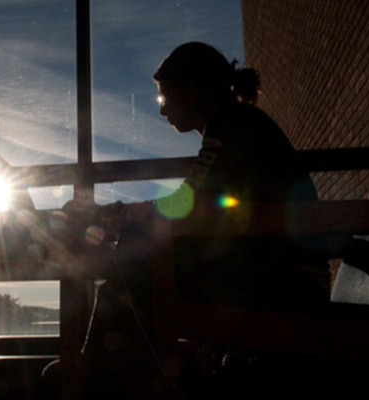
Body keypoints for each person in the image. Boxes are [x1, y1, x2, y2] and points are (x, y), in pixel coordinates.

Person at [43, 42, 330, 399]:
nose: (162, 112)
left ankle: (102, 371)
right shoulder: (236, 126)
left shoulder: (232, 126)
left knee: (137, 258)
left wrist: (130, 216)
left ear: (192, 91)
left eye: (164, 98)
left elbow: (193, 203)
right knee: (140, 255)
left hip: (286, 282)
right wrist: (133, 213)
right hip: (276, 269)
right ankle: (113, 368)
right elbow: (201, 202)